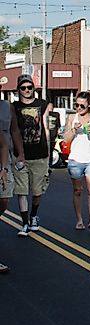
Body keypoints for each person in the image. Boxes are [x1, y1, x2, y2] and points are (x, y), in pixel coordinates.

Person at [12, 74, 53, 237]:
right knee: (22, 191)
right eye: (23, 88)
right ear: (18, 90)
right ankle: (24, 223)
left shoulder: (42, 105)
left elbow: (46, 127)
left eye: (29, 87)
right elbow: (13, 130)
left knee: (37, 191)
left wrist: (49, 151)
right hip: (20, 155)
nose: (27, 90)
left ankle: (34, 215)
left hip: (40, 154)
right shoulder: (14, 107)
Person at [64, 91, 90, 234]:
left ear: (89, 105)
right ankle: (79, 220)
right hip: (76, 160)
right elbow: (66, 139)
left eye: (82, 105)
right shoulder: (71, 118)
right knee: (78, 191)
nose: (78, 108)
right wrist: (74, 129)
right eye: (76, 105)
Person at [0, 106, 17, 273]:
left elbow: (3, 145)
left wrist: (4, 169)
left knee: (4, 200)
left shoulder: (6, 107)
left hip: (1, 166)